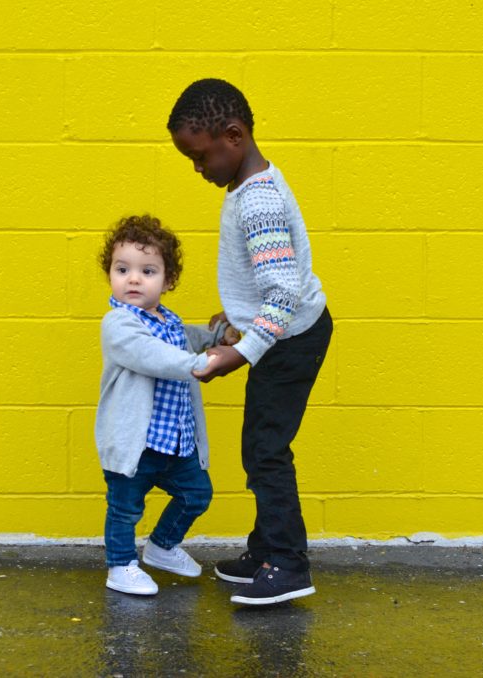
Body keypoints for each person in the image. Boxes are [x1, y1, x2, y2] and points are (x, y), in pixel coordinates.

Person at [167, 78, 334, 606]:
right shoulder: (250, 187)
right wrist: (238, 317)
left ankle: (287, 563)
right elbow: (269, 283)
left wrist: (238, 352)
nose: (198, 169)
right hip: (281, 333)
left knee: (267, 452)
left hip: (291, 339)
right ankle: (266, 550)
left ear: (233, 136)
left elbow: (282, 293)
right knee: (258, 446)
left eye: (199, 156)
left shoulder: (257, 200)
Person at [95, 214, 238, 596]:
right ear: (109, 273)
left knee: (197, 494)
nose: (133, 279)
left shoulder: (168, 321)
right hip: (136, 443)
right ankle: (121, 565)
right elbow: (151, 355)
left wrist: (219, 335)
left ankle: (162, 546)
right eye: (122, 269)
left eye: (148, 270)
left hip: (174, 441)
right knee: (125, 507)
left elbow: (190, 338)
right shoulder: (119, 324)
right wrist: (197, 363)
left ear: (168, 281)